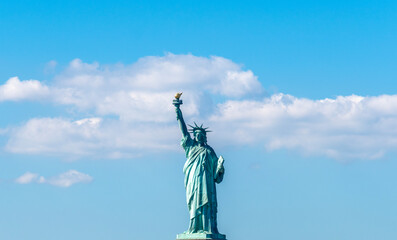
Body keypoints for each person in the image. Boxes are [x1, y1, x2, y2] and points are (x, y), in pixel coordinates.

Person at [174, 102, 225, 234]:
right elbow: (184, 132)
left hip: (206, 182)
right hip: (193, 181)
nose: (198, 136)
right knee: (194, 204)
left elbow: (216, 175)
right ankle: (194, 228)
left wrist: (219, 167)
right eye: (195, 134)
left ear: (204, 136)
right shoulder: (190, 147)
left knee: (207, 204)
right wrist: (178, 112)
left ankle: (208, 228)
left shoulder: (209, 151)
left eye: (200, 134)